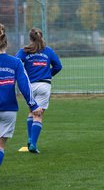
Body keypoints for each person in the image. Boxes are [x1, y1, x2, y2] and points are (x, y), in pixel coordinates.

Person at [0, 23, 42, 167]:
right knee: (0, 146)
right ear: (6, 43)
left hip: (8, 109)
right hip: (8, 109)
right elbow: (24, 85)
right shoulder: (15, 62)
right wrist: (33, 105)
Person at [16, 28, 62, 153]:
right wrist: (48, 74)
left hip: (29, 86)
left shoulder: (24, 51)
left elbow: (16, 64)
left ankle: (30, 138)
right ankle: (33, 144)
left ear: (30, 38)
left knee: (32, 111)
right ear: (42, 37)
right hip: (44, 85)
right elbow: (58, 66)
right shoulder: (48, 51)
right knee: (38, 114)